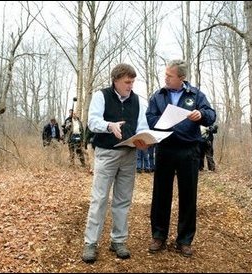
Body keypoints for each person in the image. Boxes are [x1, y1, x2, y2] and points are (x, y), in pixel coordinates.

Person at [146, 59, 216, 257]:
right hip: (165, 149)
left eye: (170, 75)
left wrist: (200, 114)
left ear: (181, 78)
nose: (165, 78)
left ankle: (184, 240)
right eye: (165, 74)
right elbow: (149, 117)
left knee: (188, 196)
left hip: (189, 150)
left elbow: (211, 115)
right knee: (161, 195)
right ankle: (158, 236)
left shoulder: (196, 95)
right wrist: (163, 122)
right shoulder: (158, 96)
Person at [81, 63, 149, 263]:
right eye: (127, 82)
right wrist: (109, 126)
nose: (130, 86)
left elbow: (142, 126)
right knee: (99, 199)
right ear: (116, 80)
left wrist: (143, 140)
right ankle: (90, 243)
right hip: (106, 154)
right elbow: (92, 122)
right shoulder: (101, 96)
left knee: (123, 200)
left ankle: (118, 240)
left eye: (133, 82)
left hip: (129, 155)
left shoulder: (138, 101)